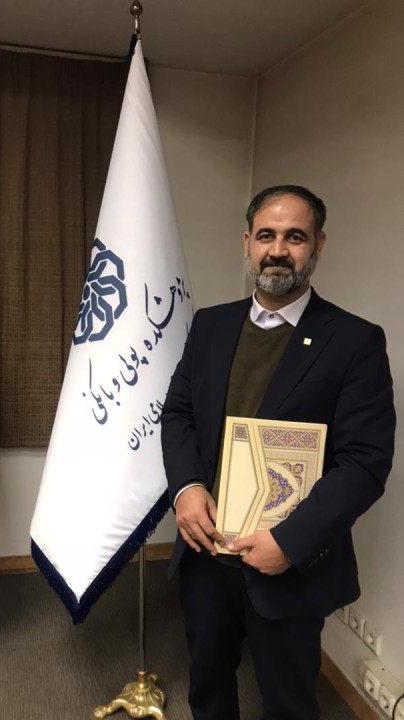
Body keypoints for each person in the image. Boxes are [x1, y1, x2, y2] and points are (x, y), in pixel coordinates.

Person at [161, 185, 396, 720]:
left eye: (295, 237)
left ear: (318, 246)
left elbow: (365, 462)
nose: (278, 250)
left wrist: (289, 542)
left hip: (289, 562)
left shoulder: (355, 341)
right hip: (207, 551)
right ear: (247, 243)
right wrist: (187, 488)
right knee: (208, 685)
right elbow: (177, 415)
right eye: (266, 235)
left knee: (289, 701)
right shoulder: (211, 325)